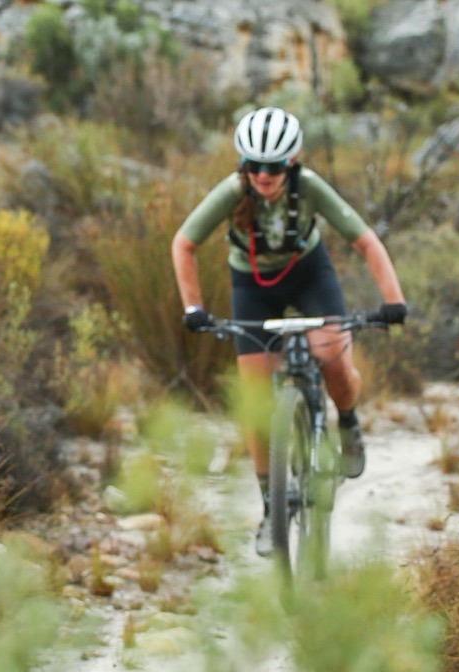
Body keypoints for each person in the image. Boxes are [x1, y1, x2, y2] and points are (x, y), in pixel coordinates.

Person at [171, 107, 408, 557]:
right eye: (255, 165)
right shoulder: (232, 191)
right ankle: (269, 507)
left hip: (310, 276)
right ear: (244, 164)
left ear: (292, 162)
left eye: (275, 165)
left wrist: (393, 302)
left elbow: (365, 241)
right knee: (256, 401)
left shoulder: (310, 186)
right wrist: (193, 308)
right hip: (252, 285)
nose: (264, 175)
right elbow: (184, 244)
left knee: (333, 356)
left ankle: (349, 423)